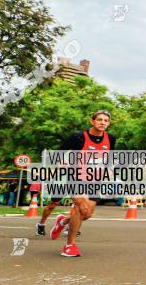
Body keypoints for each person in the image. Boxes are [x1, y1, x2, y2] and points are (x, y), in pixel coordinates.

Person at [37, 110, 116, 257]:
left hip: (96, 179)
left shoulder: (110, 138)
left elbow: (109, 156)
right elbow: (59, 152)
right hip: (76, 176)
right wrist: (60, 162)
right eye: (99, 120)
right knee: (81, 208)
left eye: (106, 120)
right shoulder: (78, 137)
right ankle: (69, 246)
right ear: (92, 121)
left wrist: (109, 169)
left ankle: (63, 221)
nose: (102, 123)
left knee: (87, 214)